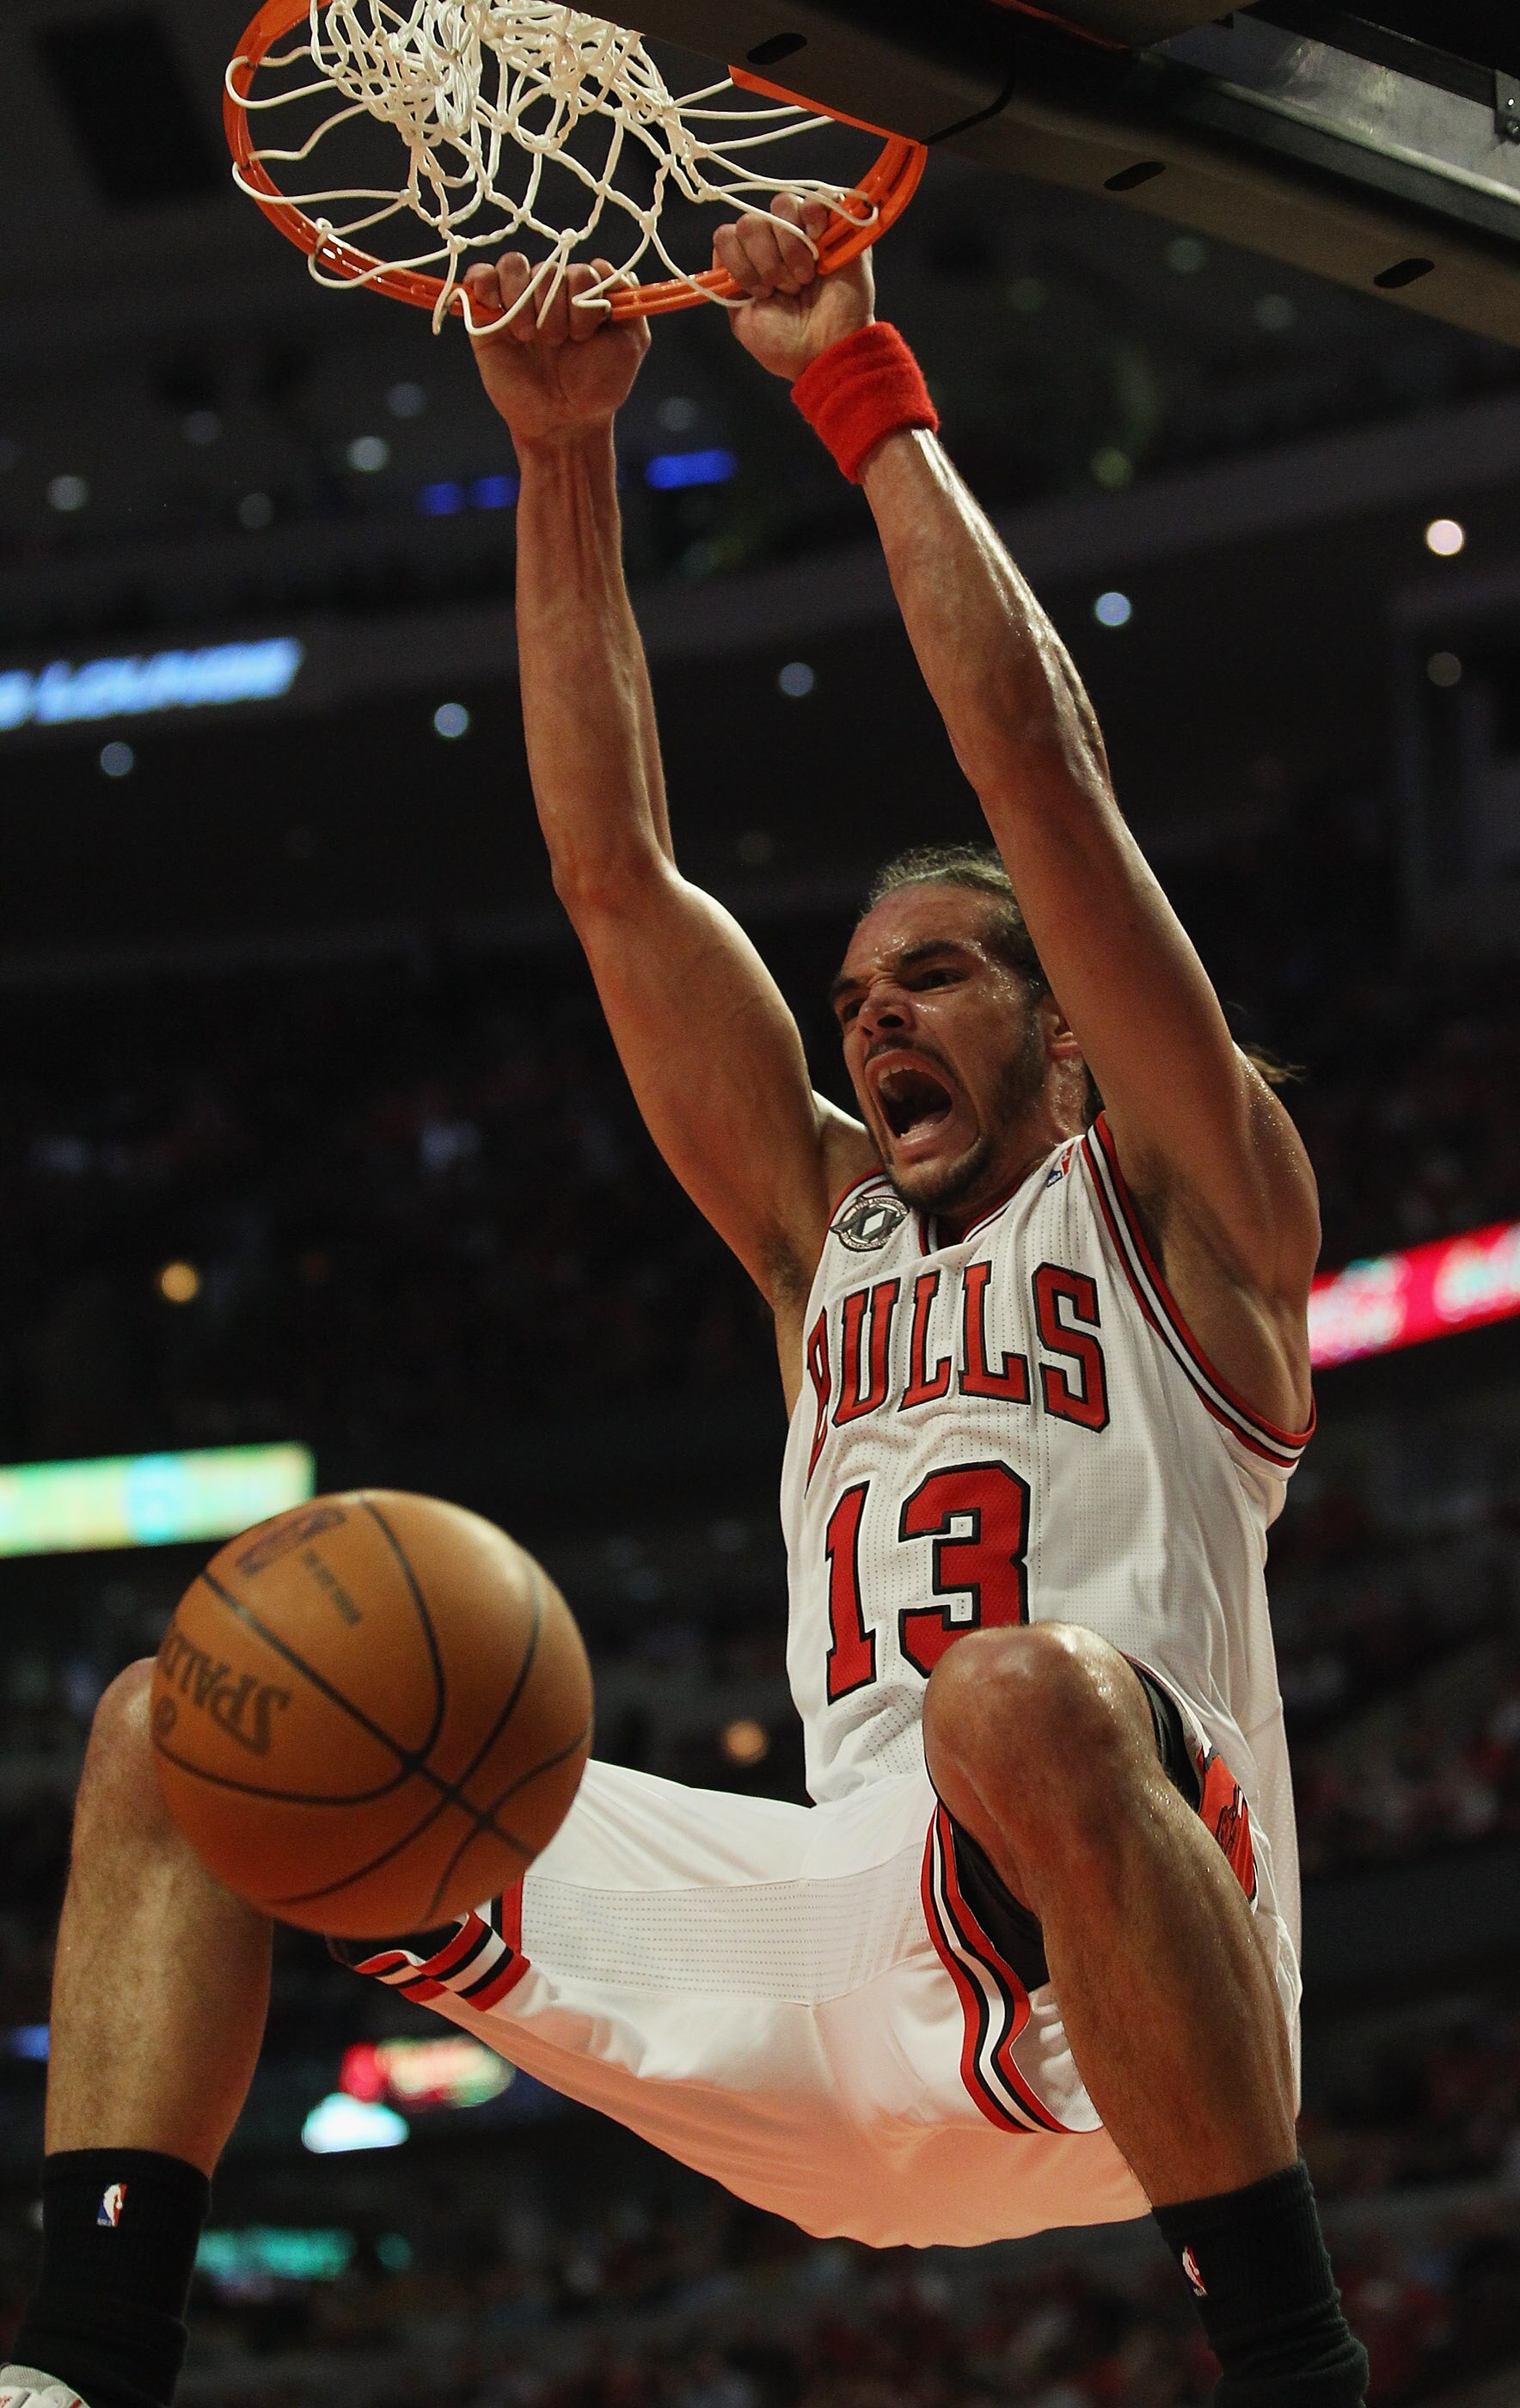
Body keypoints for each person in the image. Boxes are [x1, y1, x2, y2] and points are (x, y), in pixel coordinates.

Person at [3, 203, 1365, 2408]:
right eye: (850, 994)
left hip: (1119, 1990)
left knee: (1010, 1699)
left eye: (931, 971)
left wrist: (859, 396)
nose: (871, 1014)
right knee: (186, 1724)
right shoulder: (811, 1231)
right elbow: (611, 874)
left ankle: (1299, 2369)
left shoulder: (1193, 1213)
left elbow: (1042, 771)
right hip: (820, 1961)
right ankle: (75, 2370)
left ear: (1074, 1029)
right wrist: (559, 457)